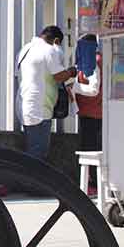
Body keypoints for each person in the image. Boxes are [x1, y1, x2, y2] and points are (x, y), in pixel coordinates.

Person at [17, 26, 75, 162]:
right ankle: (29, 182)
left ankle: (26, 181)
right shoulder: (49, 50)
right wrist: (72, 71)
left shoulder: (25, 49)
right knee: (38, 153)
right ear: (56, 41)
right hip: (39, 109)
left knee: (33, 149)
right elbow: (59, 76)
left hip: (25, 104)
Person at [73, 33, 102, 195]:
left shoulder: (94, 62)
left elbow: (93, 90)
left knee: (90, 149)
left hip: (93, 113)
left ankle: (93, 184)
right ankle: (92, 183)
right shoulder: (88, 61)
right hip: (89, 112)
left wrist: (74, 88)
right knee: (89, 148)